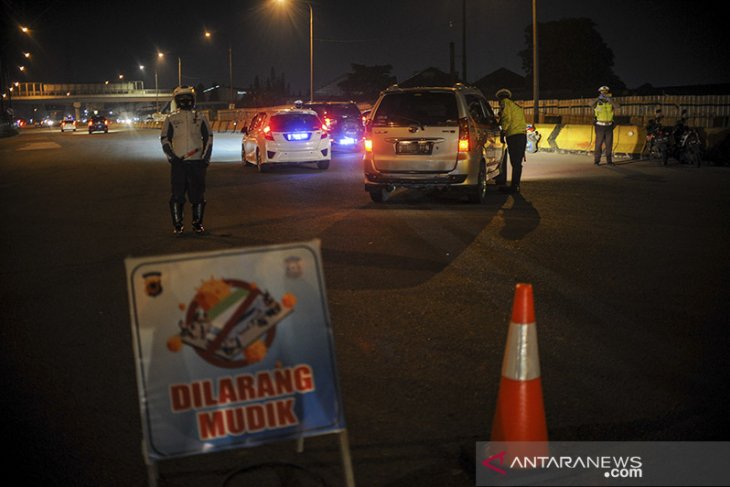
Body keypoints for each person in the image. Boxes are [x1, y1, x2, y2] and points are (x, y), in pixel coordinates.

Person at [160, 86, 213, 235]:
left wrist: (205, 158)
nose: (185, 101)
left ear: (193, 100)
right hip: (179, 164)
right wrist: (172, 157)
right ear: (177, 101)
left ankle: (197, 224)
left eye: (188, 98)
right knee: (177, 195)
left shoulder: (201, 117)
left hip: (197, 163)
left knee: (198, 195)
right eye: (182, 99)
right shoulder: (171, 119)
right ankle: (178, 225)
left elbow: (209, 138)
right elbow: (165, 139)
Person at [495, 88, 527, 193]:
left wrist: (503, 132)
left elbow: (506, 118)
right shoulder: (516, 106)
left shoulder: (505, 103)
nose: (499, 103)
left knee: (515, 162)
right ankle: (515, 185)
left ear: (501, 98)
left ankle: (514, 187)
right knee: (517, 162)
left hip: (514, 136)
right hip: (521, 136)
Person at [591, 85, 620, 166]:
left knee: (609, 144)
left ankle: (609, 161)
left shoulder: (610, 101)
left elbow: (618, 106)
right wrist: (598, 98)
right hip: (599, 126)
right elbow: (589, 104)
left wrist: (609, 100)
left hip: (609, 126)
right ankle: (597, 161)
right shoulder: (597, 102)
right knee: (598, 144)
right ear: (600, 92)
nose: (604, 93)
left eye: (605, 92)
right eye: (602, 92)